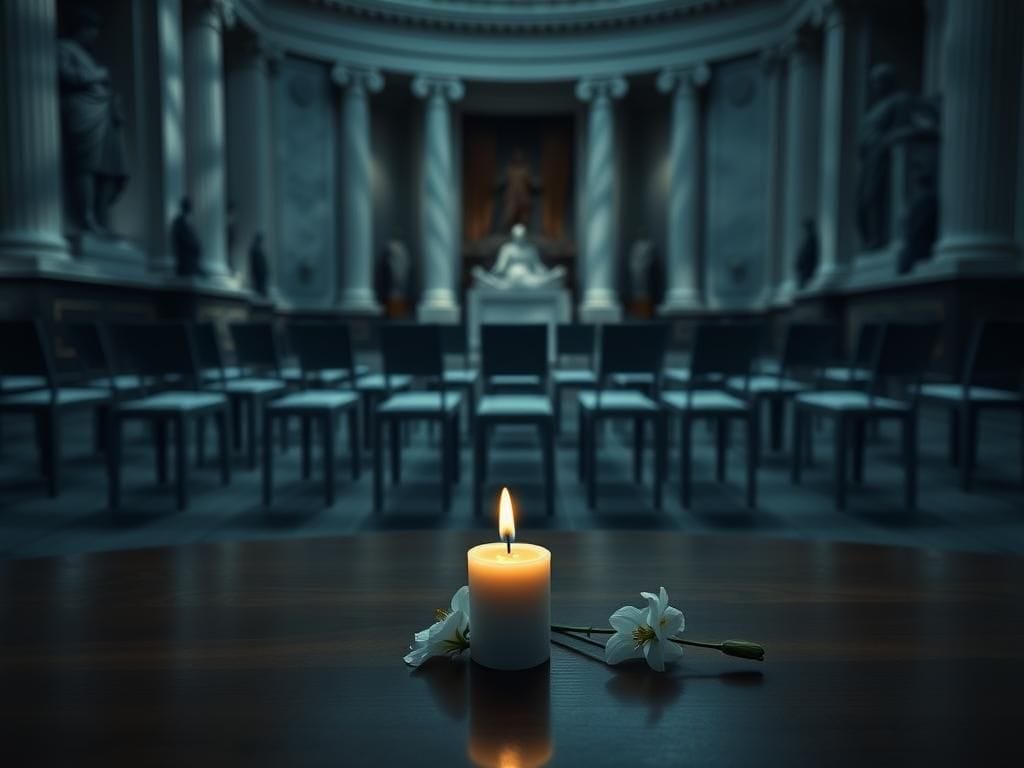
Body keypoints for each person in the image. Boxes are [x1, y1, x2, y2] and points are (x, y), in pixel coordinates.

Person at [57, 7, 128, 235]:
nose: (95, 35)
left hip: (103, 113)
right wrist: (97, 75)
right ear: (81, 28)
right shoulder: (63, 48)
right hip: (84, 113)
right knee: (86, 165)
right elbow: (66, 75)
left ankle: (102, 219)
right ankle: (86, 217)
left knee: (108, 168)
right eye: (92, 30)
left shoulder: (86, 55)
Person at [472, 224, 565, 290]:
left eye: (521, 237)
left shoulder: (530, 249)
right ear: (513, 237)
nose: (519, 240)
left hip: (529, 278)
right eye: (517, 237)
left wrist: (548, 274)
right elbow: (500, 268)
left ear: (525, 237)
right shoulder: (507, 249)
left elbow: (537, 267)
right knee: (499, 285)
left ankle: (553, 276)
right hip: (511, 278)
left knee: (542, 281)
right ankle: (483, 278)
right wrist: (492, 274)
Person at [171, 198, 203, 278]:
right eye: (189, 206)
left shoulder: (188, 221)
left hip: (191, 256)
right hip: (184, 256)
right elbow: (181, 238)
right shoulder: (179, 221)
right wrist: (193, 245)